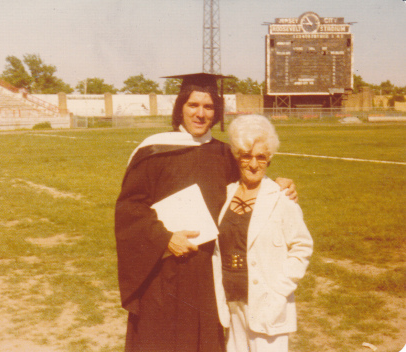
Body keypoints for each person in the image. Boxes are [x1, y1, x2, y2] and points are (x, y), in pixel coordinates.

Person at [115, 74, 297, 352]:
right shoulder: (153, 153)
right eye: (193, 105)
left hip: (208, 273)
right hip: (163, 271)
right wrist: (164, 238)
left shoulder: (224, 155)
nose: (200, 114)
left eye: (208, 107)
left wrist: (281, 185)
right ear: (180, 107)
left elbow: (251, 181)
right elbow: (130, 210)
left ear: (217, 112)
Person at [212, 115, 313, 352]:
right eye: (246, 156)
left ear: (270, 159)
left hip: (267, 303)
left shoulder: (281, 197)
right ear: (237, 157)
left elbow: (302, 246)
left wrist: (279, 290)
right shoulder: (224, 194)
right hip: (231, 300)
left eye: (261, 157)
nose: (254, 164)